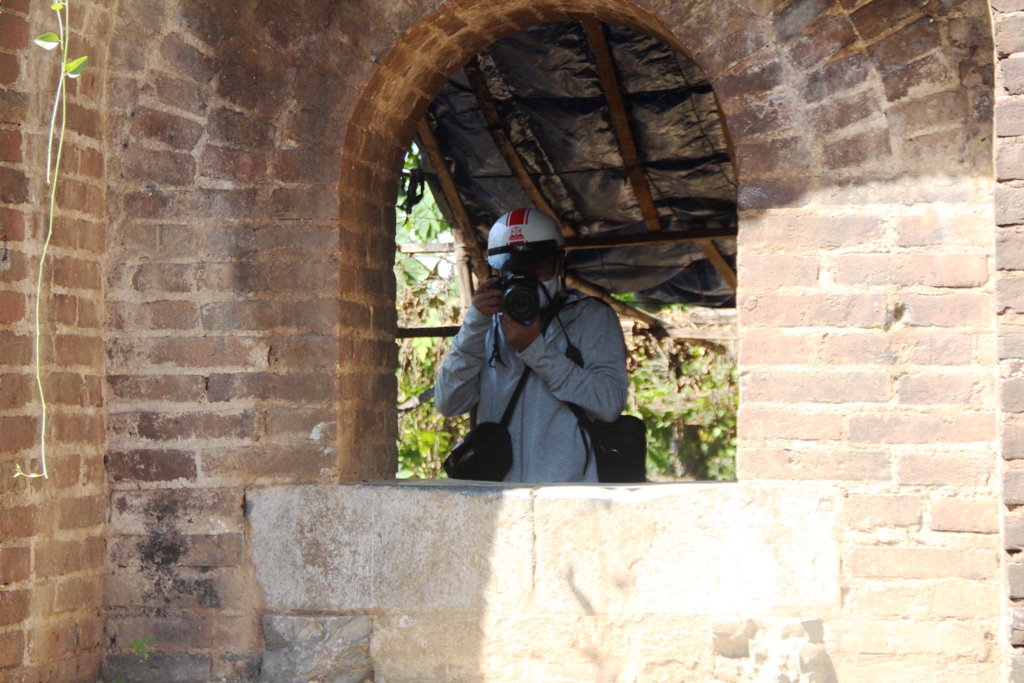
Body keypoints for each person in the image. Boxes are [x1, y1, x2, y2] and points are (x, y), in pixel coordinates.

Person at [435, 208, 629, 483]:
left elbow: (610, 404)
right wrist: (473, 325)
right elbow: (448, 403)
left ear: (559, 264)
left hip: (568, 497)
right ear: (496, 271)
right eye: (514, 272)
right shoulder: (485, 325)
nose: (525, 281)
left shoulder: (591, 317)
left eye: (536, 270)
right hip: (497, 501)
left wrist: (535, 349)